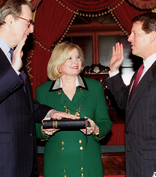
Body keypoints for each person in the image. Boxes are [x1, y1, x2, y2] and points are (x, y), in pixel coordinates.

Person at [0, 0, 78, 177]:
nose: (32, 29)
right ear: (10, 20)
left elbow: (21, 103)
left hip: (23, 160)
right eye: (28, 22)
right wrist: (12, 71)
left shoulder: (14, 55)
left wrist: (50, 113)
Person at [104, 12, 156, 176]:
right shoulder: (142, 71)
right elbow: (125, 104)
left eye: (135, 33)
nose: (129, 38)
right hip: (139, 165)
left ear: (152, 36)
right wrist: (114, 71)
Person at [35, 41, 113, 177]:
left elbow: (105, 123)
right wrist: (44, 131)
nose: (76, 61)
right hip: (57, 164)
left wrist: (96, 129)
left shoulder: (95, 87)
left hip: (88, 163)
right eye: (69, 58)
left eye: (78, 57)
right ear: (58, 63)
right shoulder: (43, 91)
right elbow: (34, 128)